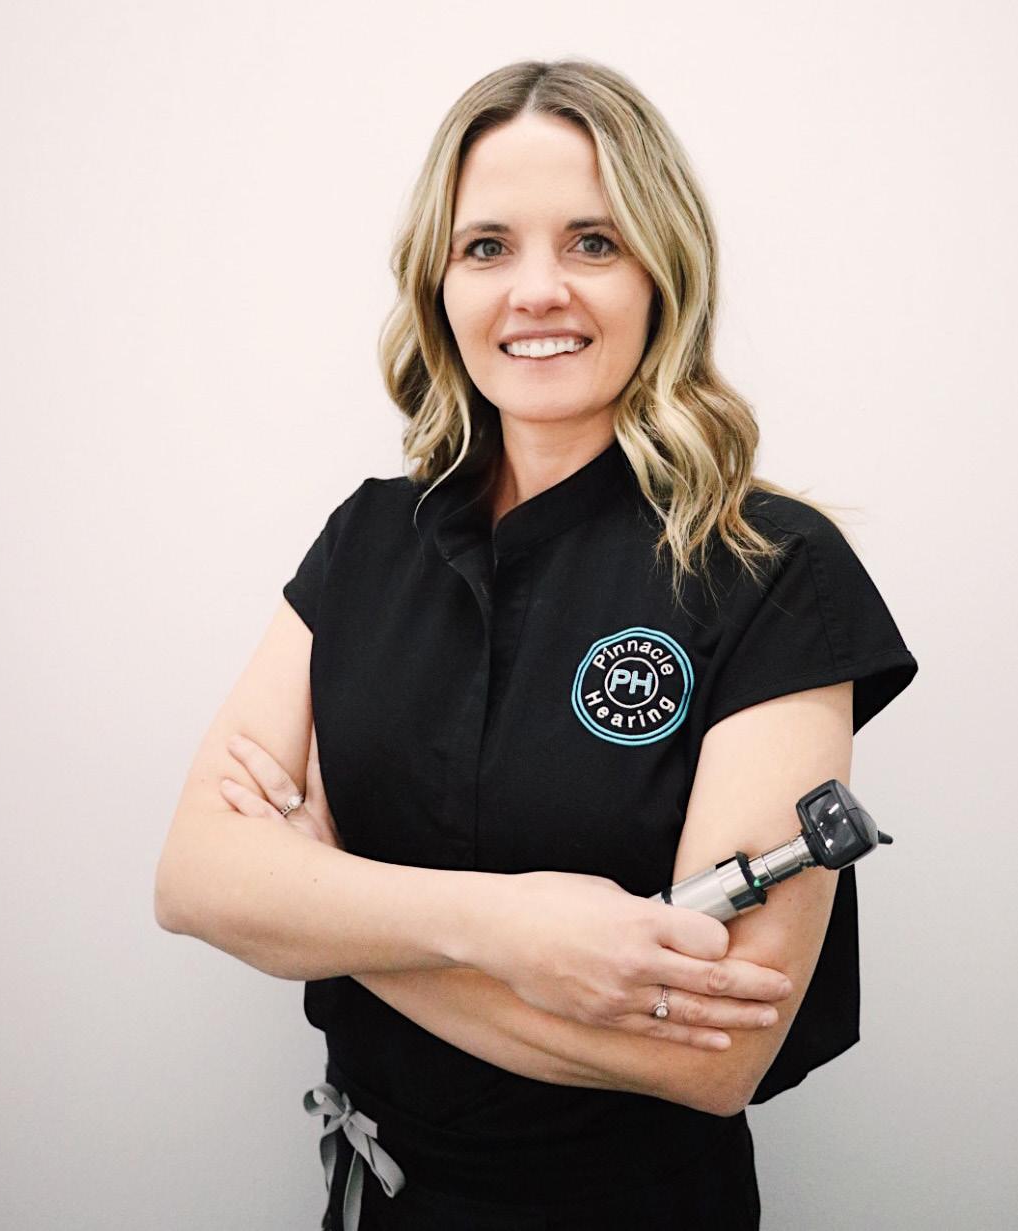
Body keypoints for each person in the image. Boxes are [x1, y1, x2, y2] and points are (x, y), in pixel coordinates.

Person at [155, 58, 918, 1230]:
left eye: (592, 242)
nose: (538, 290)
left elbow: (711, 1053)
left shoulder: (771, 568)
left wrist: (322, 902)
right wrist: (504, 931)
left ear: (662, 270)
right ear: (439, 283)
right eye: (487, 247)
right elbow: (196, 878)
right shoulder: (368, 540)